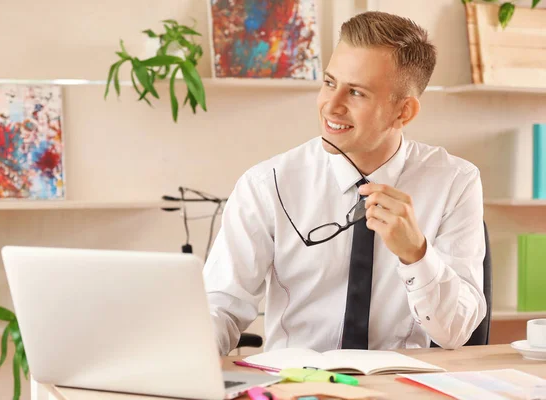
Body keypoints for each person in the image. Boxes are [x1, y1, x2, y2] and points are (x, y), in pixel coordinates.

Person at [203, 11, 487, 355]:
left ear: (404, 112)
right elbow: (220, 305)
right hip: (296, 385)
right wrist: (187, 358)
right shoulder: (267, 184)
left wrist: (416, 254)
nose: (330, 106)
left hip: (400, 385)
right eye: (329, 82)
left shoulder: (455, 182)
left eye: (356, 93)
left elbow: (455, 333)